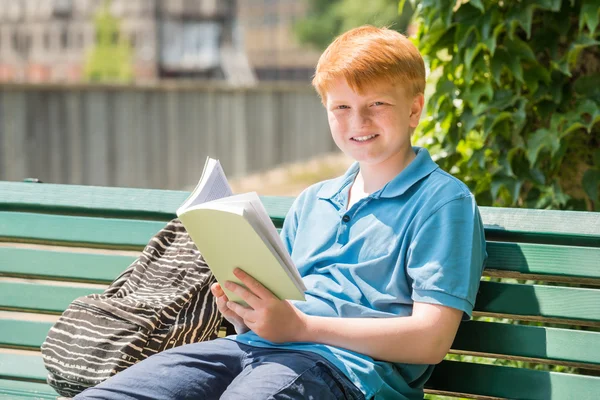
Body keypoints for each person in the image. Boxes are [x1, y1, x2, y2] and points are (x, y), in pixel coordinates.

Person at [75, 25, 487, 400]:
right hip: (251, 349)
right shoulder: (314, 200)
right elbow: (285, 308)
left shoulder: (443, 202)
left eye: (376, 103)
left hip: (346, 372)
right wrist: (245, 312)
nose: (357, 120)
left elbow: (430, 340)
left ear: (414, 110)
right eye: (340, 107)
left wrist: (300, 328)